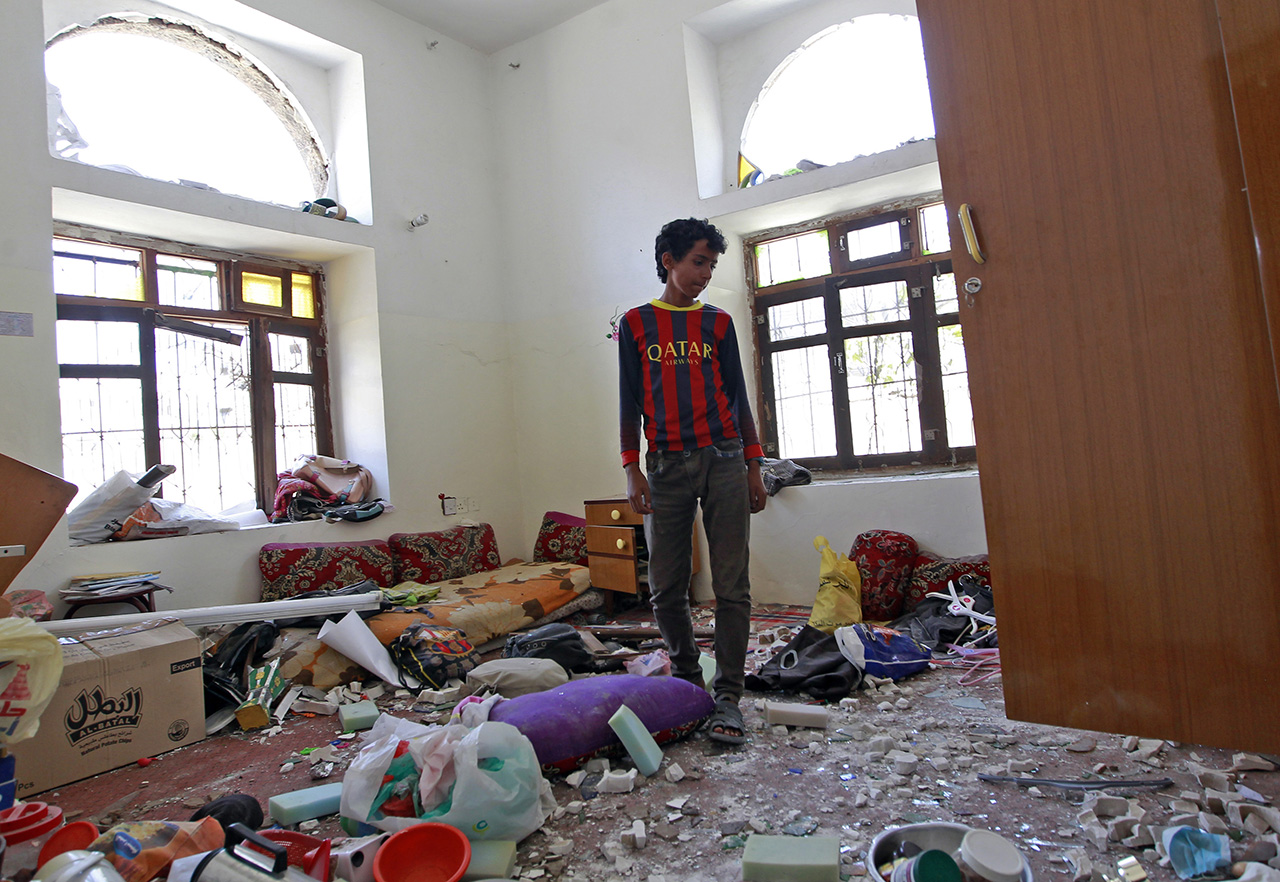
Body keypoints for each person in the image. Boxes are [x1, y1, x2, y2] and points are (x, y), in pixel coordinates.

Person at [617, 217, 768, 744]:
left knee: (732, 586)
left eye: (711, 265)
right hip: (664, 467)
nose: (705, 274)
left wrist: (754, 464)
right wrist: (630, 466)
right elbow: (629, 399)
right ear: (669, 260)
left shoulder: (719, 325)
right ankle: (687, 678)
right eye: (698, 262)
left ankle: (727, 695)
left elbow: (738, 399)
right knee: (665, 587)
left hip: (724, 459)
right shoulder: (635, 324)